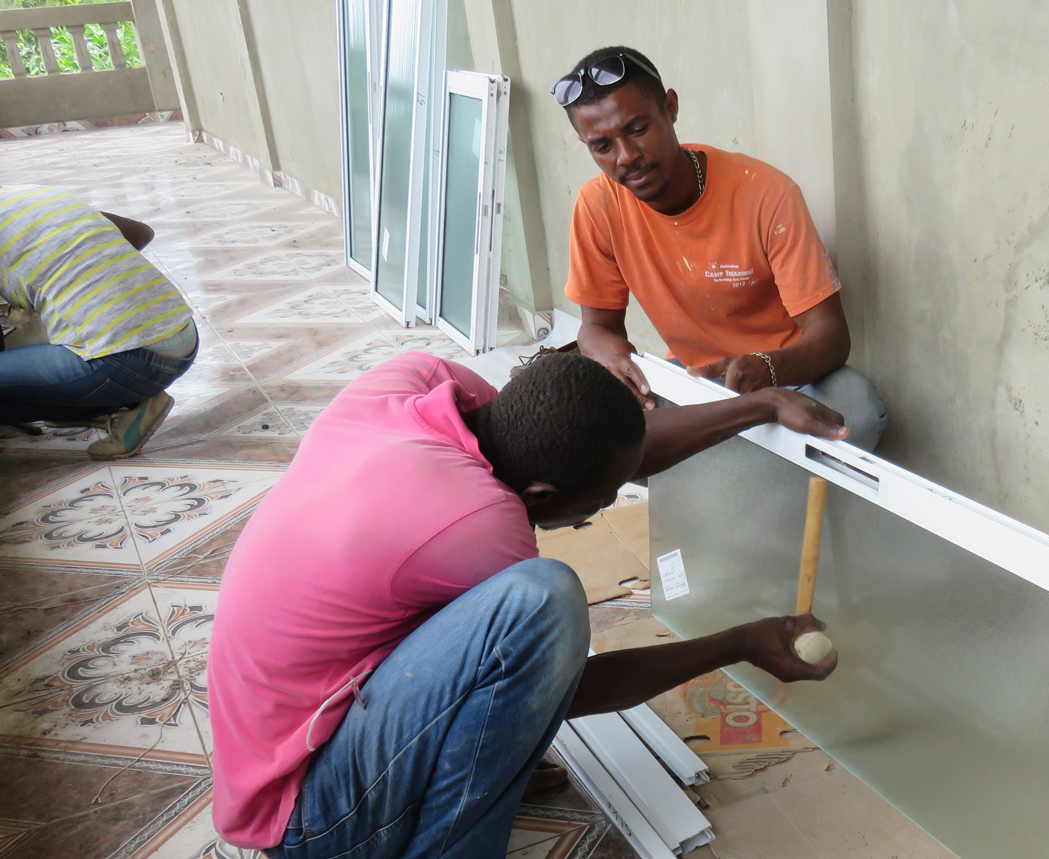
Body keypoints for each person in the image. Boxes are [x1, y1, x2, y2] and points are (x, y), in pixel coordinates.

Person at [208, 350, 845, 856]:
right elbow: (572, 691)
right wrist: (738, 644)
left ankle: (428, 782)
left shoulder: (419, 382)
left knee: (503, 628)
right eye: (602, 499)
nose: (603, 508)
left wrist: (758, 405)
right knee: (542, 601)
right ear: (539, 493)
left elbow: (605, 447)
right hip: (310, 818)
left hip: (272, 759)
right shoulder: (479, 523)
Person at [556, 46, 889, 451]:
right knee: (598, 436)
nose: (627, 157)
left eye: (638, 129)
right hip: (699, 382)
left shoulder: (765, 194)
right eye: (602, 146)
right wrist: (621, 365)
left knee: (857, 415)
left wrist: (765, 368)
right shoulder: (598, 205)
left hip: (792, 372)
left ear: (670, 107)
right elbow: (597, 328)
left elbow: (832, 337)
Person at [0, 184, 196, 459]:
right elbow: (141, 233)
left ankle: (110, 407)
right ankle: (119, 402)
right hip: (182, 337)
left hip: (125, 361)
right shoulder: (33, 194)